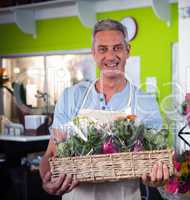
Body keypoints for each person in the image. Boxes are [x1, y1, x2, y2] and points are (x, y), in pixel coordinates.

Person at [39, 19, 169, 200]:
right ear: (93, 53)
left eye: (117, 48)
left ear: (127, 51)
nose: (110, 56)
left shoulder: (145, 102)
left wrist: (156, 179)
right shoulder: (72, 96)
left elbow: (154, 162)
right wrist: (47, 182)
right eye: (103, 49)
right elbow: (51, 153)